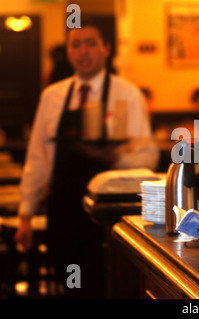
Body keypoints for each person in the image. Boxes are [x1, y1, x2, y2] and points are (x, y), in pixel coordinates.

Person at [15, 18, 159, 297]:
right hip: (63, 209)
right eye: (76, 45)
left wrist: (111, 156)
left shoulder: (127, 95)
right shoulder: (52, 96)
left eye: (91, 44)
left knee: (99, 288)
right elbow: (38, 159)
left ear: (106, 48)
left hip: (110, 214)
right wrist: (25, 214)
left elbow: (148, 157)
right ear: (68, 52)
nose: (83, 52)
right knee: (70, 286)